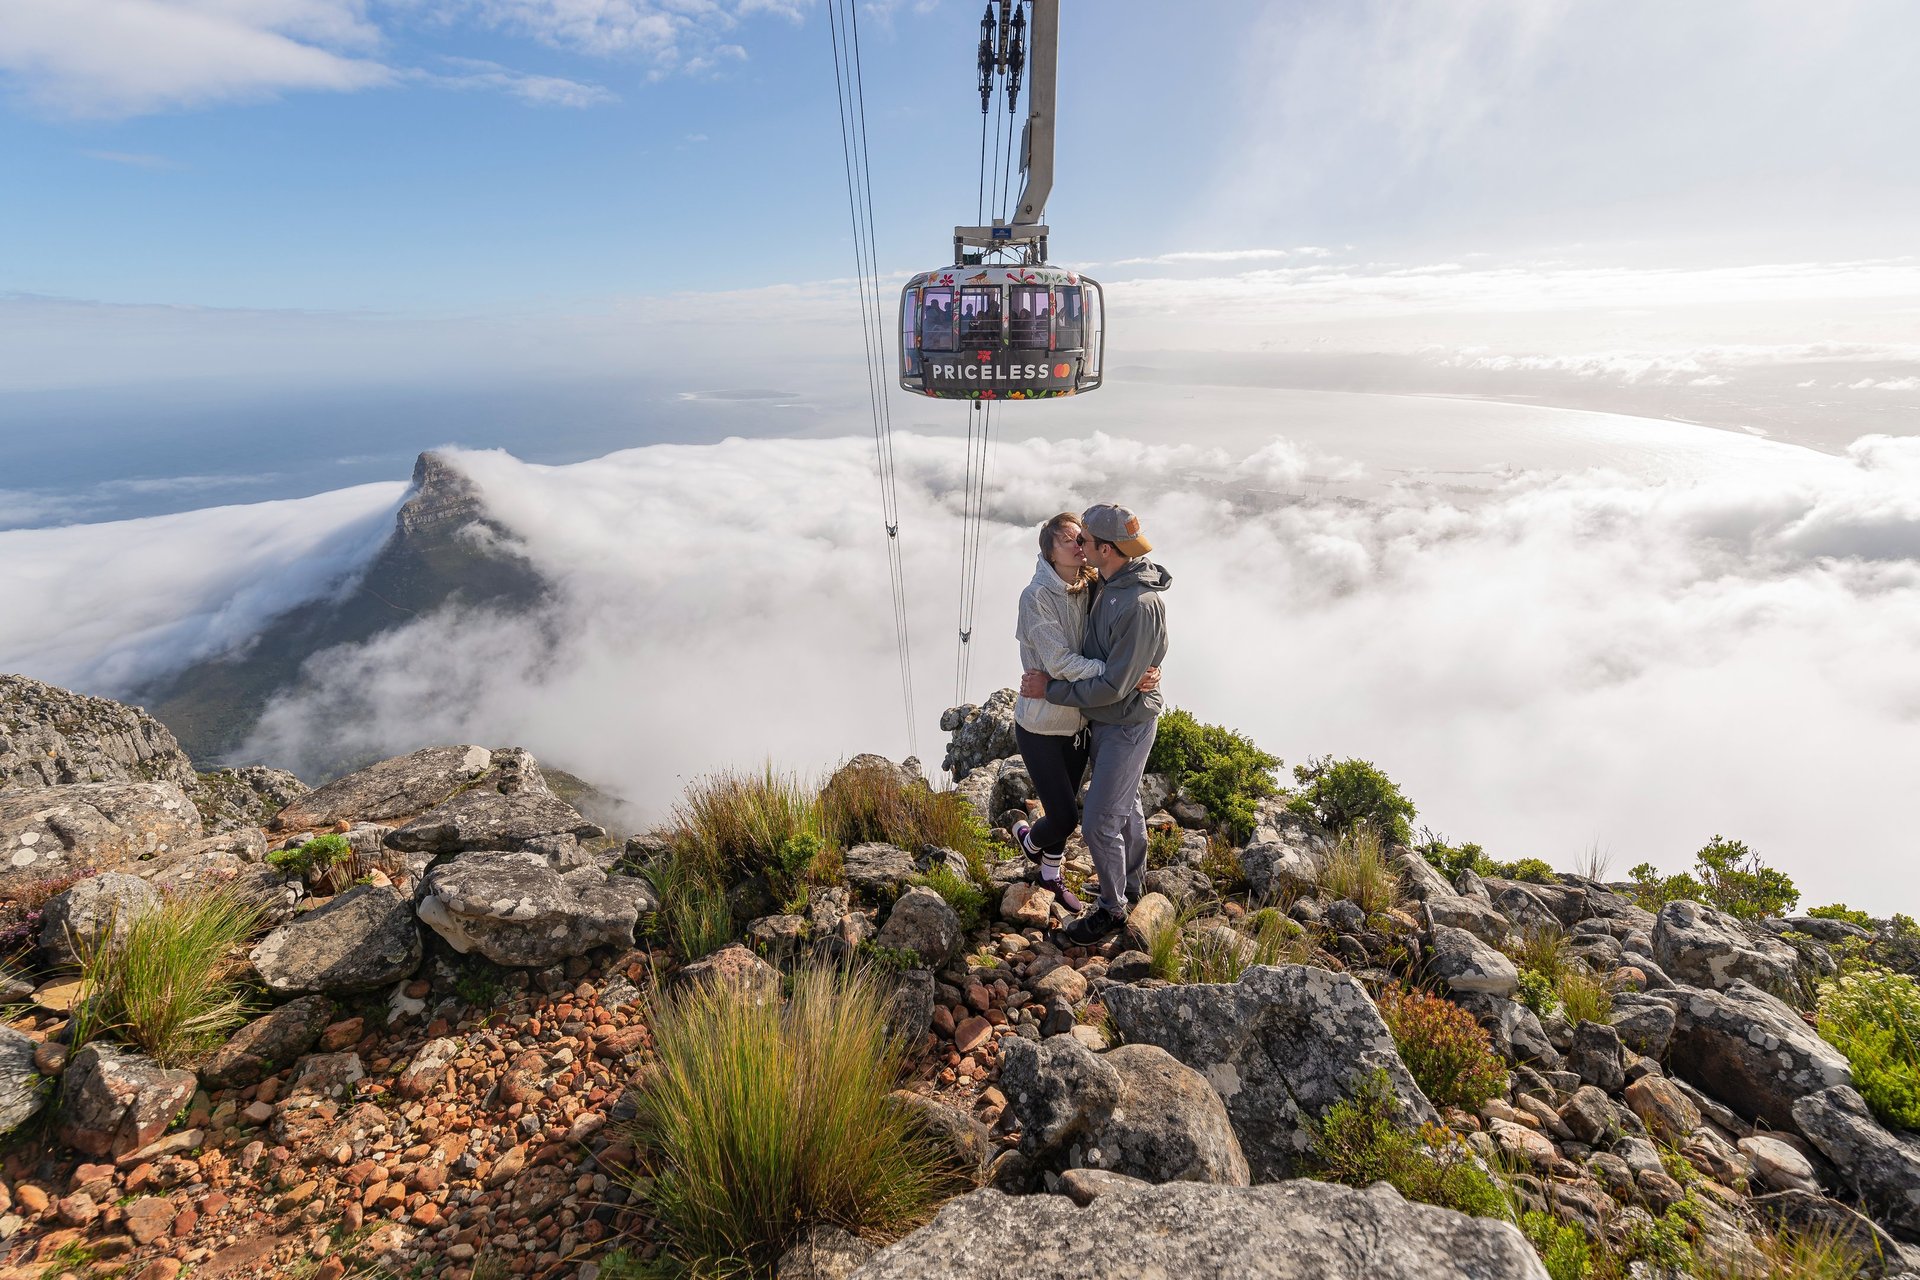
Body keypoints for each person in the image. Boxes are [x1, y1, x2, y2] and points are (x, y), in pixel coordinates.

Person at [1019, 503, 1170, 945]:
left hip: (1122, 721)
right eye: (1072, 539)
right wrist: (1133, 669)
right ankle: (1128, 886)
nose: (1078, 544)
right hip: (1099, 722)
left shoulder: (1132, 599)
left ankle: (1112, 909)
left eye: (1083, 539)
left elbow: (1112, 681)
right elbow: (1106, 659)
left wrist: (1055, 688)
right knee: (1126, 809)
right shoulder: (1102, 582)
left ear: (1105, 548)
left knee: (1099, 822)